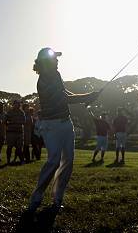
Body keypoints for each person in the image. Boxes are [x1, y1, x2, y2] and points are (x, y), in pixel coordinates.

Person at [27, 47, 99, 214]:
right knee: (53, 161)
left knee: (68, 161)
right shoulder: (44, 80)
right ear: (46, 62)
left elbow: (65, 92)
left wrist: (86, 97)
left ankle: (57, 198)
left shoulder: (56, 75)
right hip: (51, 125)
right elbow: (64, 98)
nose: (58, 61)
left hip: (66, 123)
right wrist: (87, 97)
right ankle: (36, 198)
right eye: (55, 58)